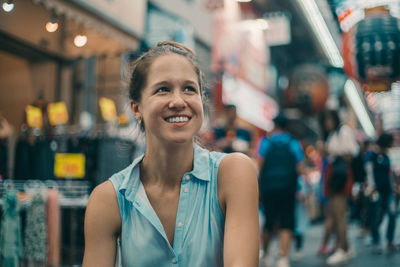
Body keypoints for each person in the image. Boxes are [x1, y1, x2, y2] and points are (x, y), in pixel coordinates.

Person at [82, 41, 259, 267]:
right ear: (136, 108)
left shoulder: (233, 174)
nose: (178, 101)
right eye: (162, 89)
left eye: (189, 89)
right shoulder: (108, 199)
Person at [258, 112, 304, 267]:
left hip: (268, 187)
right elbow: (300, 166)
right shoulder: (293, 142)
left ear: (275, 125)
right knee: (287, 221)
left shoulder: (265, 141)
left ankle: (265, 255)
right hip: (288, 188)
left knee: (269, 220)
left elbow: (259, 164)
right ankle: (283, 258)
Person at [320, 110, 358, 265]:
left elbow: (351, 152)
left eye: (329, 119)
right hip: (334, 175)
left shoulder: (343, 131)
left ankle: (343, 249)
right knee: (335, 214)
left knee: (339, 214)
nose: (327, 123)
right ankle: (345, 247)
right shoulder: (334, 133)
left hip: (339, 176)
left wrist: (329, 150)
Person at [365, 132, 397, 253]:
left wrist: (394, 187)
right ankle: (375, 239)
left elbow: (390, 174)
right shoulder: (371, 156)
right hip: (376, 191)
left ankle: (390, 240)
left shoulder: (386, 157)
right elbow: (369, 172)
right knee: (376, 215)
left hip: (388, 191)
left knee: (392, 214)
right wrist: (372, 187)